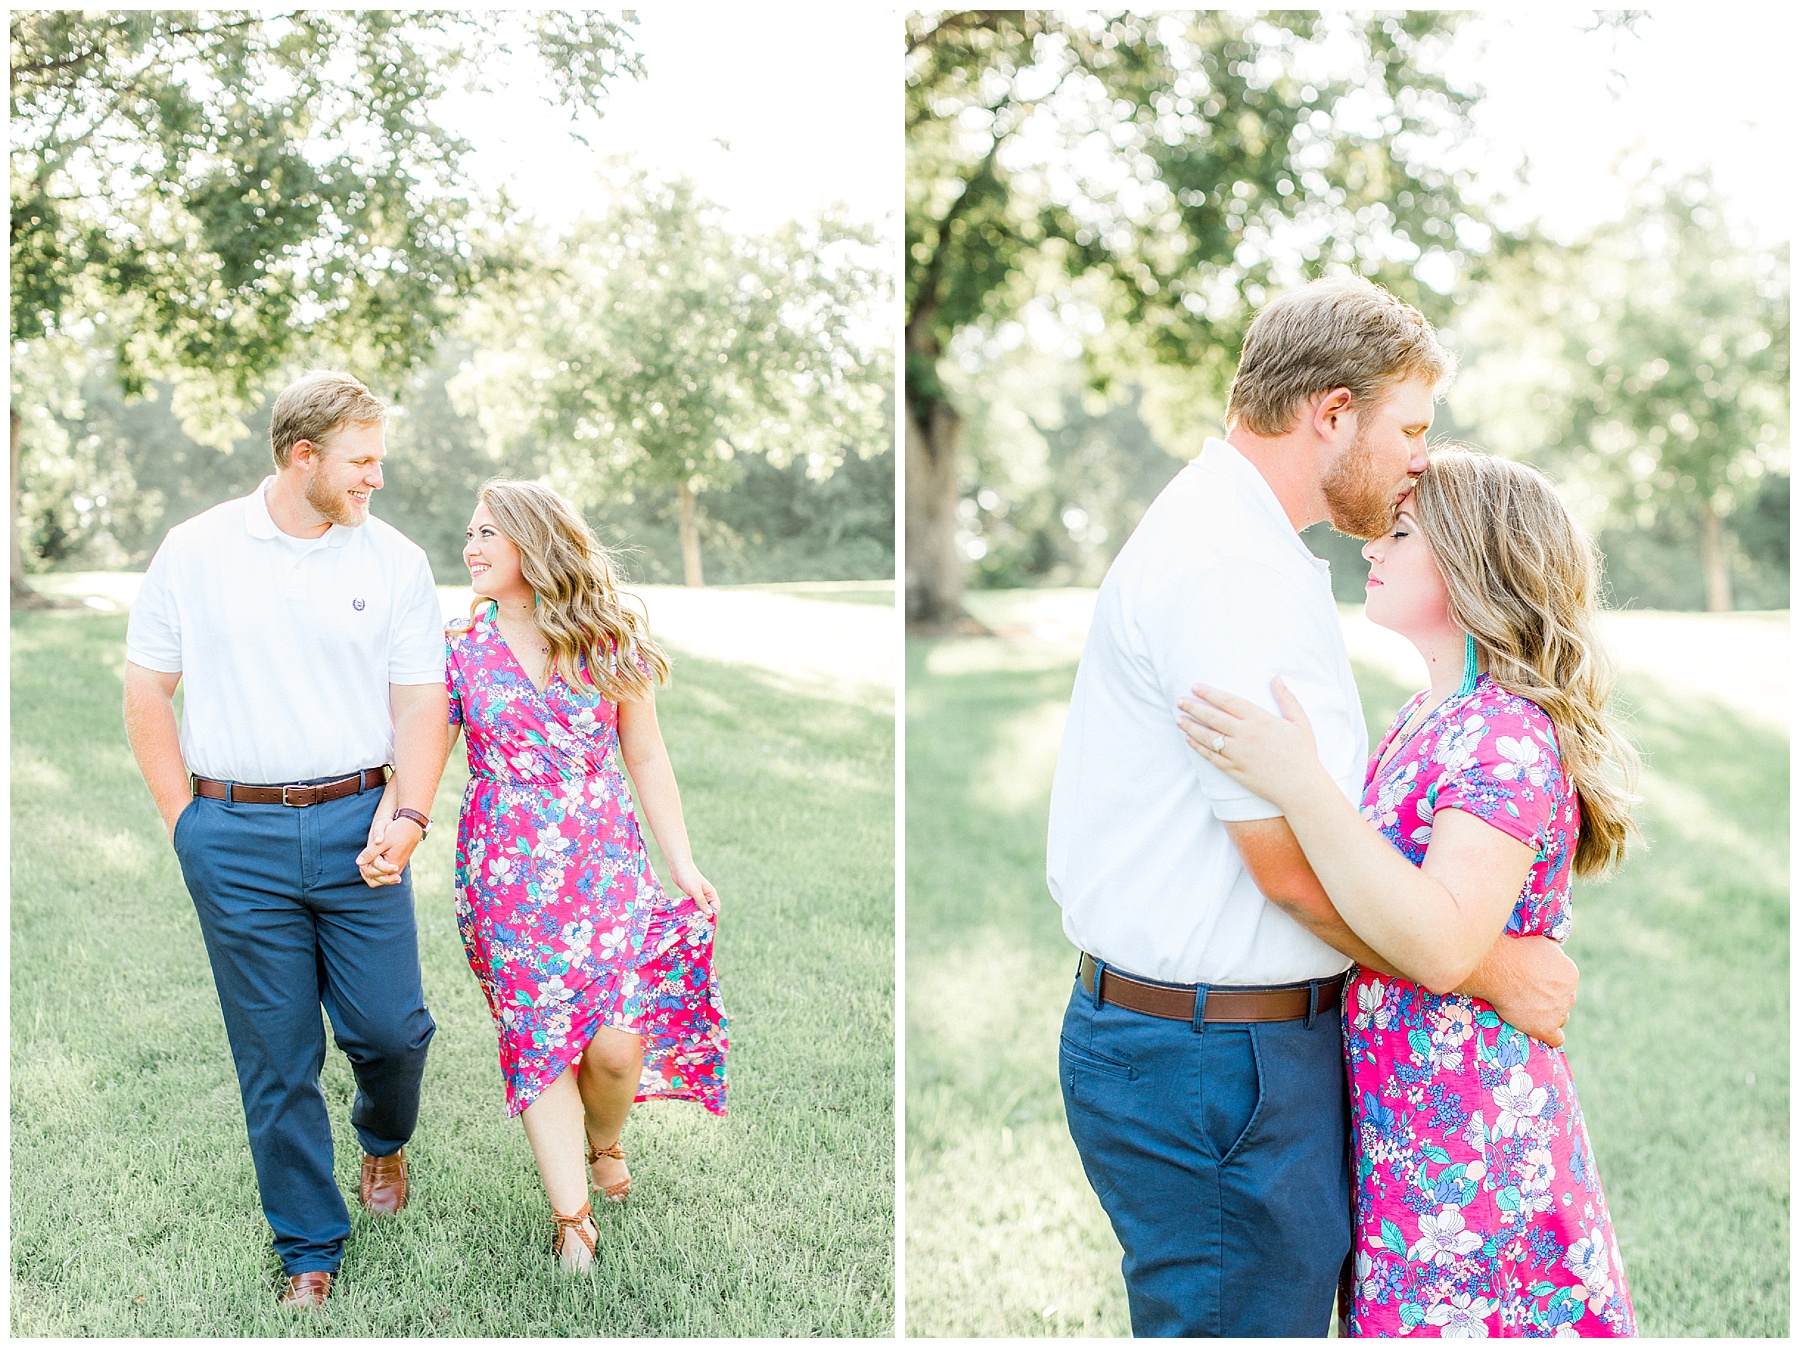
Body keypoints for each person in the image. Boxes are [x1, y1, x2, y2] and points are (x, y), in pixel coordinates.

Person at [1045, 278, 1580, 1337]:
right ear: (1331, 413)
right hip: (1216, 1065)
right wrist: (1490, 966)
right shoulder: (1225, 567)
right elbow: (1288, 866)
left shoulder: (1248, 545)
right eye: (1411, 428)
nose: (1425, 460)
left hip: (1233, 1051)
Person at [1177, 451, 1639, 1337]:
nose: (1369, 550)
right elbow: (1371, 892)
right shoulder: (1425, 717)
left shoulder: (1504, 733)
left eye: (1399, 532)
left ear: (1473, 563)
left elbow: (1440, 943)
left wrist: (1301, 783)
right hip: (1405, 1120)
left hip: (1472, 1132)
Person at [122, 370, 449, 1308]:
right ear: (302, 456)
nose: (375, 480)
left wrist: (410, 813)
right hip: (233, 834)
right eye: (362, 462)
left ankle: (383, 1144)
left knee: (391, 1033)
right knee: (275, 1052)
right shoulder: (195, 550)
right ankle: (309, 1247)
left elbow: (422, 699)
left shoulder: (393, 559)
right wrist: (186, 823)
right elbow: (149, 689)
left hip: (362, 824)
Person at [362, 478, 727, 1271]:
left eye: (488, 532)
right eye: (469, 532)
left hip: (609, 872)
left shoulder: (607, 638)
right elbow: (424, 753)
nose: (471, 546)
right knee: (541, 1045)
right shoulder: (461, 650)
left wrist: (682, 862)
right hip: (506, 882)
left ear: (534, 541)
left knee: (616, 1051)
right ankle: (573, 1223)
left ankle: (607, 1140)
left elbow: (646, 753)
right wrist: (392, 825)